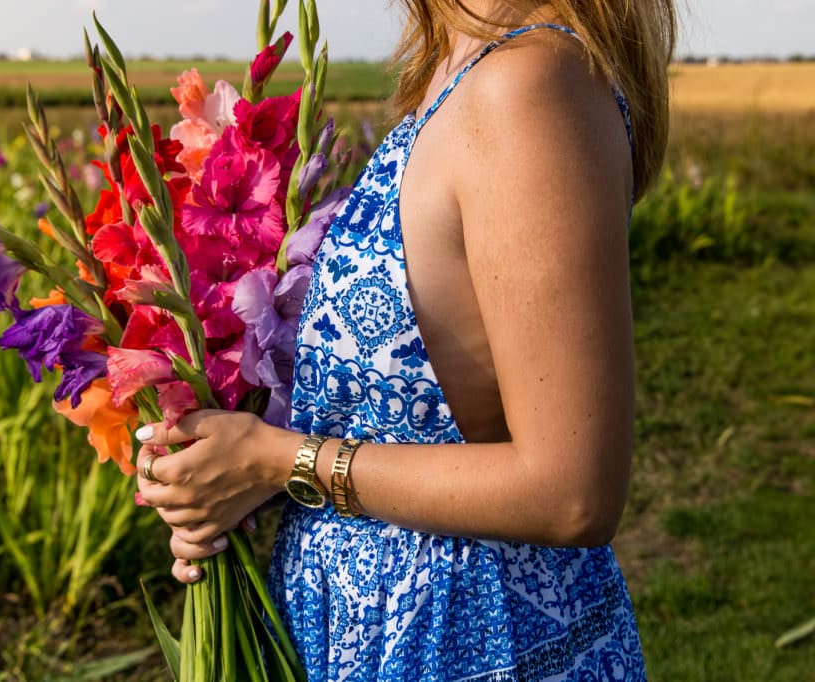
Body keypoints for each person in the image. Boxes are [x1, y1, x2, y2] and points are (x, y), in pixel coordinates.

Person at [135, 0, 676, 678]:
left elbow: (572, 492)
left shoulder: (527, 85)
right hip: (375, 631)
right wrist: (229, 473)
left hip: (468, 640)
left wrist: (281, 462)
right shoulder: (457, 70)